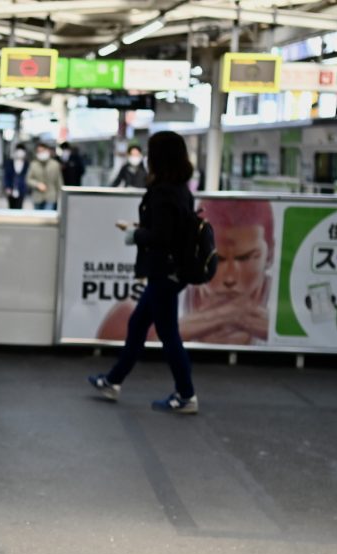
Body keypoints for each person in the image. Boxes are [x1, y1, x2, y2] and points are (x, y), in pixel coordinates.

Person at [88, 131, 198, 414]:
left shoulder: (163, 192)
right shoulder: (181, 189)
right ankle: (113, 381)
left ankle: (186, 394)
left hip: (163, 273)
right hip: (172, 272)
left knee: (167, 333)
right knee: (138, 325)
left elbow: (161, 237)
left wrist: (134, 233)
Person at [96, 198, 272, 346]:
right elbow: (110, 344)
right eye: (218, 259)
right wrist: (225, 316)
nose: (230, 278)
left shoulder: (284, 309)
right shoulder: (139, 305)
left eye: (246, 258)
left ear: (270, 253)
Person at [26, 141, 62, 210]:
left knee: (47, 218)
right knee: (37, 218)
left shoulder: (55, 164)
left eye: (43, 151)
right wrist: (37, 184)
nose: (41, 153)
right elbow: (28, 179)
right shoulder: (33, 164)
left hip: (51, 197)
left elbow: (59, 182)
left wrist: (60, 197)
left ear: (47, 151)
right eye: (39, 151)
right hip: (37, 197)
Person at [3, 143, 30, 209]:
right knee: (11, 207)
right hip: (11, 188)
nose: (20, 152)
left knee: (19, 207)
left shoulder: (27, 164)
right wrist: (7, 187)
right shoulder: (9, 162)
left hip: (21, 189)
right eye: (18, 150)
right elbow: (6, 176)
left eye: (22, 150)